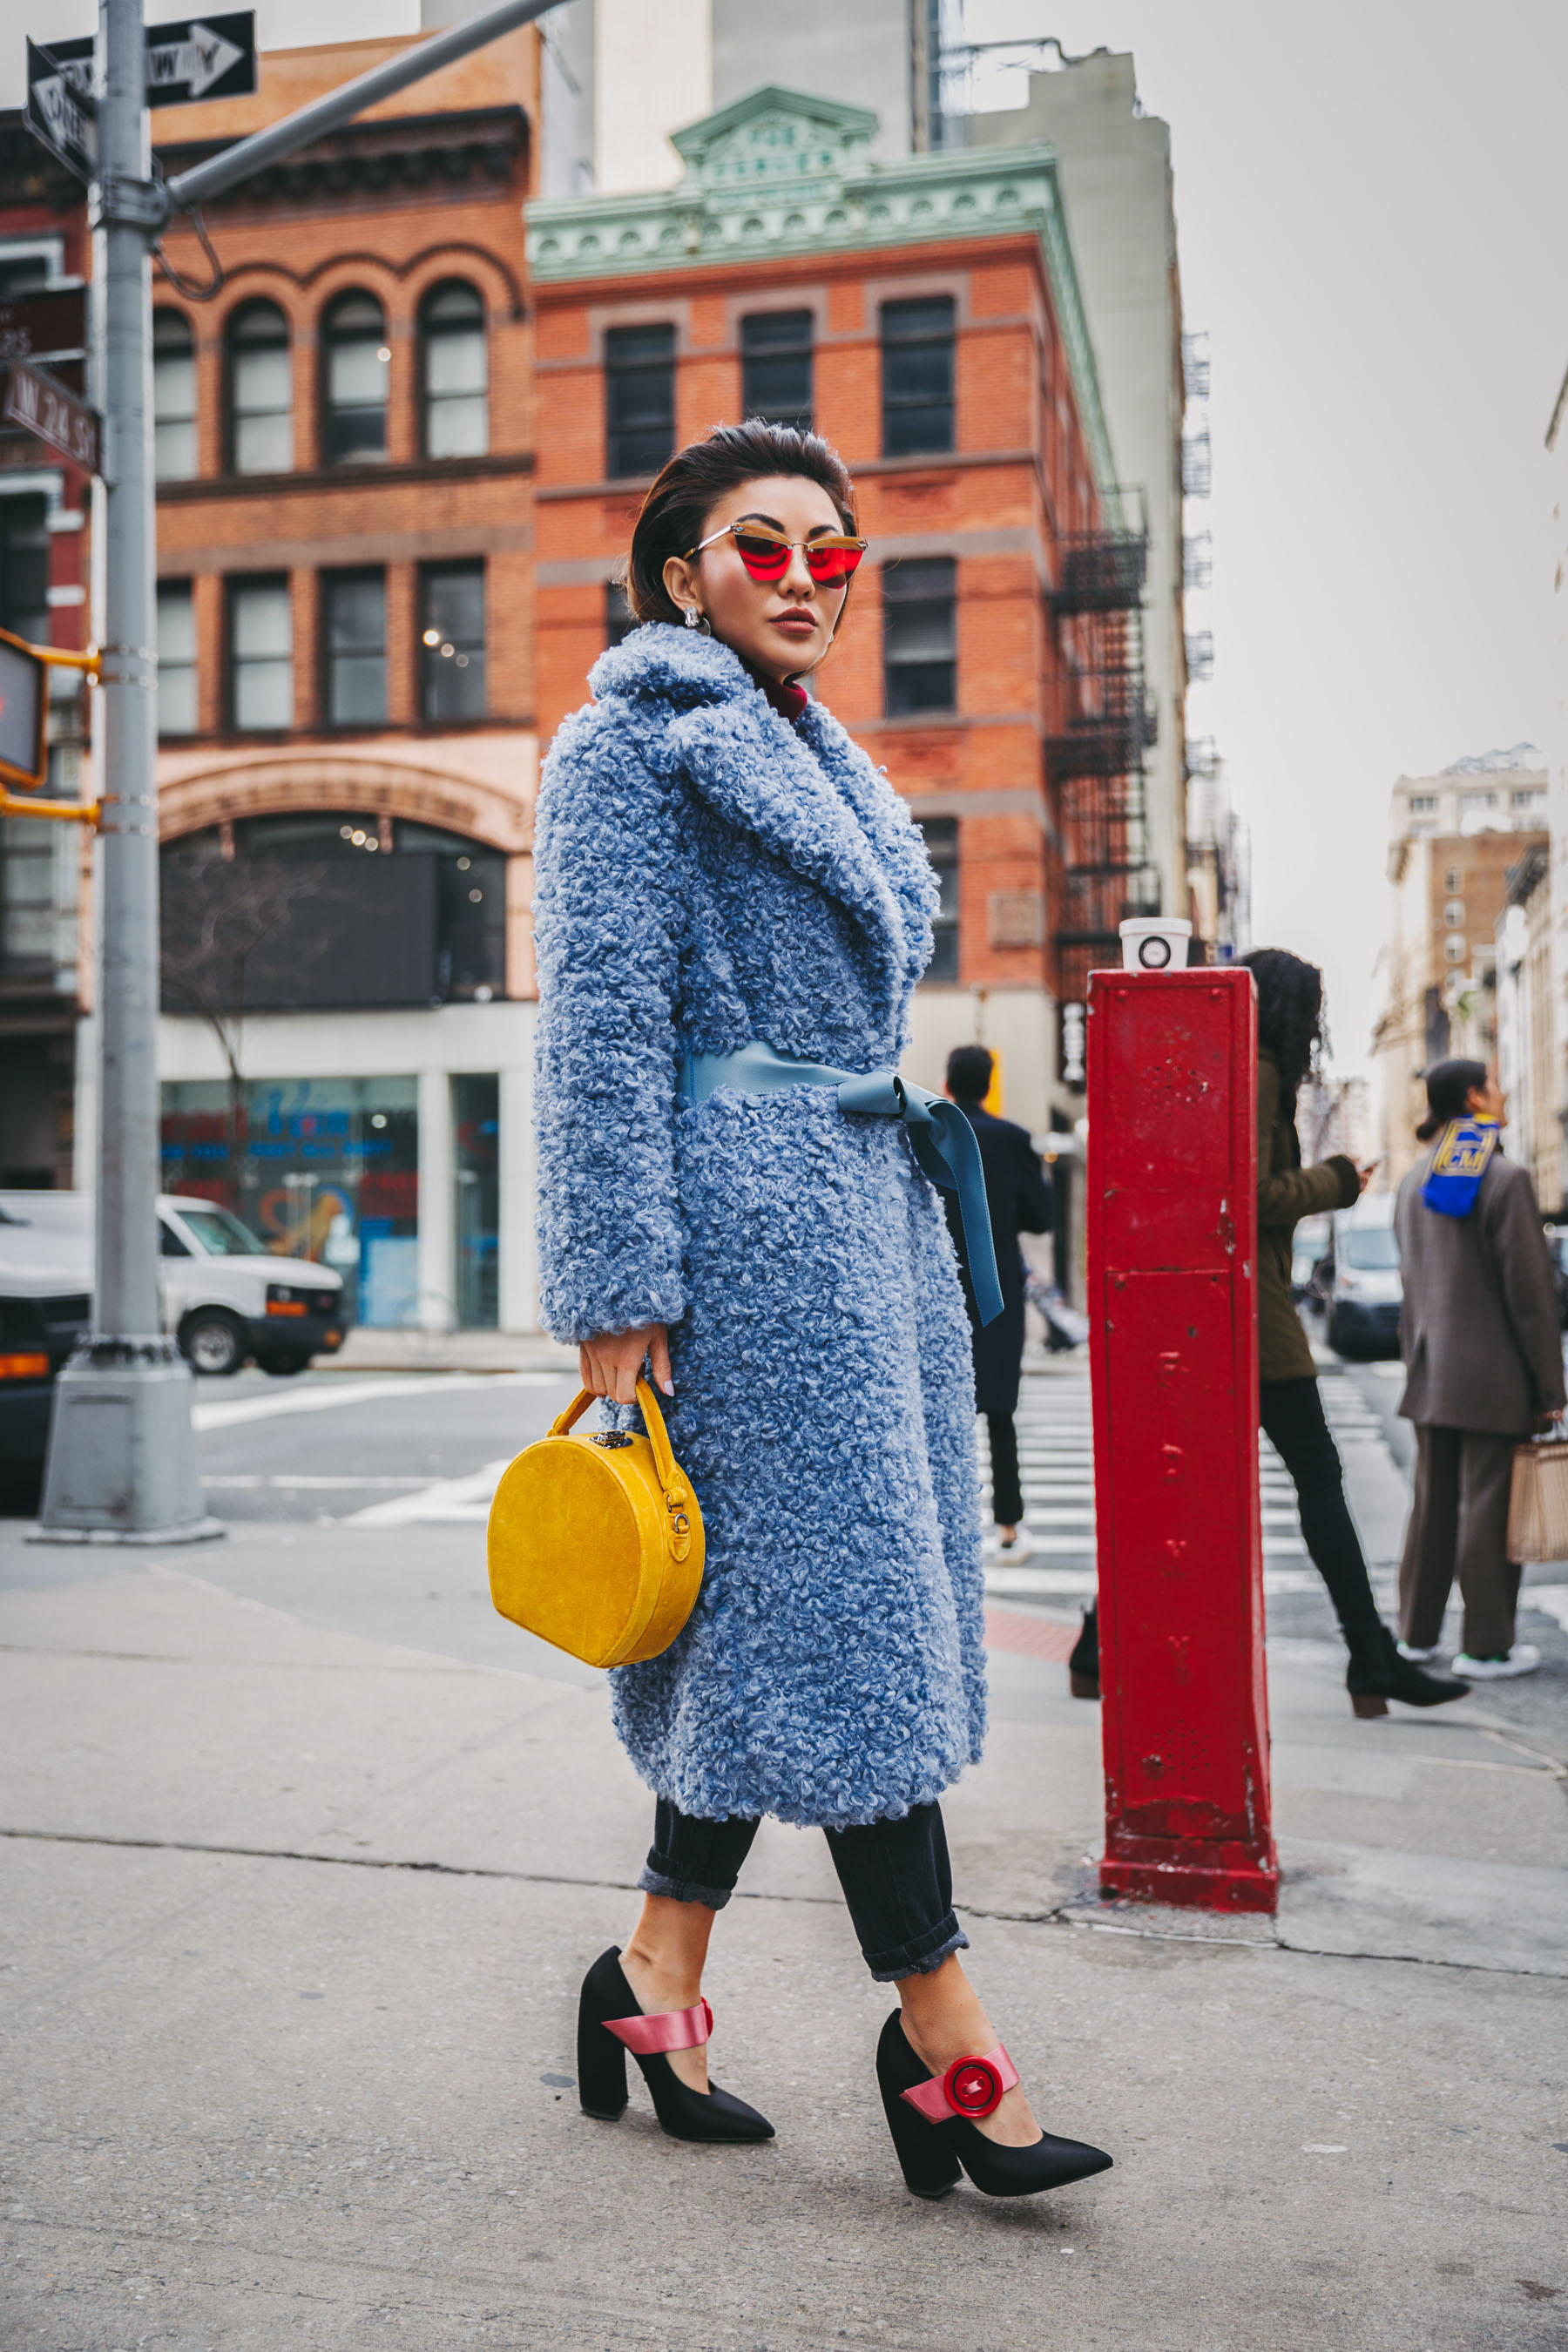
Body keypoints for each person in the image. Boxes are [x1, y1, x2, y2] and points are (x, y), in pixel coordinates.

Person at [533, 419, 1111, 2200]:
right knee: (844, 1628)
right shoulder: (628, 747)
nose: (801, 579)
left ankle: (651, 1981)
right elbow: (602, 1027)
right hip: (735, 1255)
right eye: (760, 546)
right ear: (679, 573)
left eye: (828, 554)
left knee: (765, 1630)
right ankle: (947, 2043)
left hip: (856, 1234)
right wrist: (614, 1287)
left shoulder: (820, 750)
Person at [1241, 949, 1469, 1716]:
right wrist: (1338, 1180)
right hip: (1258, 1315)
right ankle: (1370, 1656)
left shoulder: (1245, 1064)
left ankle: (1096, 1644)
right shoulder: (1262, 1070)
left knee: (1193, 1485)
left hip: (1240, 1308)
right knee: (1319, 1477)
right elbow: (1252, 1193)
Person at [1394, 1058, 1565, 1678]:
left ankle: (1414, 1635)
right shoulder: (1505, 1179)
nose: (1504, 1090)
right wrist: (1552, 1385)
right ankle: (1486, 1646)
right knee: (1488, 1508)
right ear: (1474, 1096)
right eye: (1495, 1084)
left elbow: (1412, 1286)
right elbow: (1530, 1296)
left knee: (1432, 1507)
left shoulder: (1414, 1181)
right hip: (1493, 1376)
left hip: (1429, 1369)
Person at [941, 1044, 1056, 1561]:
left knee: (945, 1405)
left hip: (941, 1281)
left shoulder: (932, 1132)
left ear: (948, 1084)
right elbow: (1041, 1217)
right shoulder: (1013, 1140)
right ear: (989, 1084)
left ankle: (948, 1521)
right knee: (1000, 1410)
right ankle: (1008, 1525)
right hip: (998, 1289)